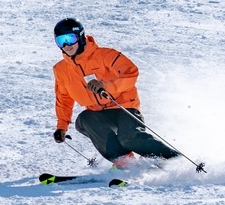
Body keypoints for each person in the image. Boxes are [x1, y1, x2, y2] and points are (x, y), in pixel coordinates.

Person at [51, 18, 179, 164]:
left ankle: (174, 160)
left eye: (70, 38)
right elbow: (64, 99)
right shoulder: (61, 70)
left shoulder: (105, 55)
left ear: (80, 36)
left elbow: (131, 72)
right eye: (61, 41)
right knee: (84, 120)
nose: (67, 45)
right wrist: (61, 126)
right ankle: (125, 161)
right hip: (99, 113)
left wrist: (106, 86)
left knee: (129, 138)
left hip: (124, 107)